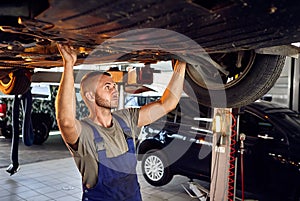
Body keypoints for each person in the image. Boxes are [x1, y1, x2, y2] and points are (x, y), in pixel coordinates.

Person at [55, 43, 186, 201]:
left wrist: (182, 61)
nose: (114, 90)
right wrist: (68, 65)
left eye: (114, 86)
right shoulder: (85, 133)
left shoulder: (126, 119)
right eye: (107, 87)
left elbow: (167, 104)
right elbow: (66, 121)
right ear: (90, 96)